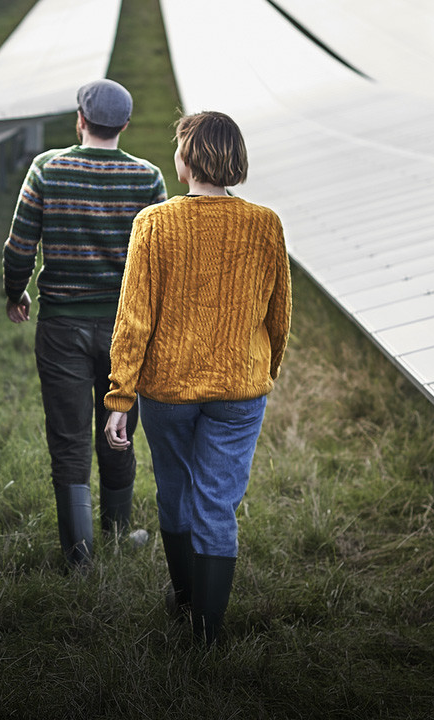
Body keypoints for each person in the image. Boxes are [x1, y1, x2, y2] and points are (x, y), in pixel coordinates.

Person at [103, 110, 292, 644]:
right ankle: (207, 634)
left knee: (175, 489)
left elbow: (133, 316)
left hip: (168, 390)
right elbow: (279, 314)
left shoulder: (154, 223)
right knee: (217, 501)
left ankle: (184, 596)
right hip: (239, 391)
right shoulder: (266, 224)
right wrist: (264, 370)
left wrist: (120, 397)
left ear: (186, 162)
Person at [4, 79, 168, 572]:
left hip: (62, 327)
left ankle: (78, 554)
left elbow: (18, 246)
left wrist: (16, 292)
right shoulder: (148, 178)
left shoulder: (47, 168)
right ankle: (117, 534)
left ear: (80, 120)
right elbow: (157, 261)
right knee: (118, 430)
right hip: (126, 330)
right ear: (125, 125)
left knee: (69, 436)